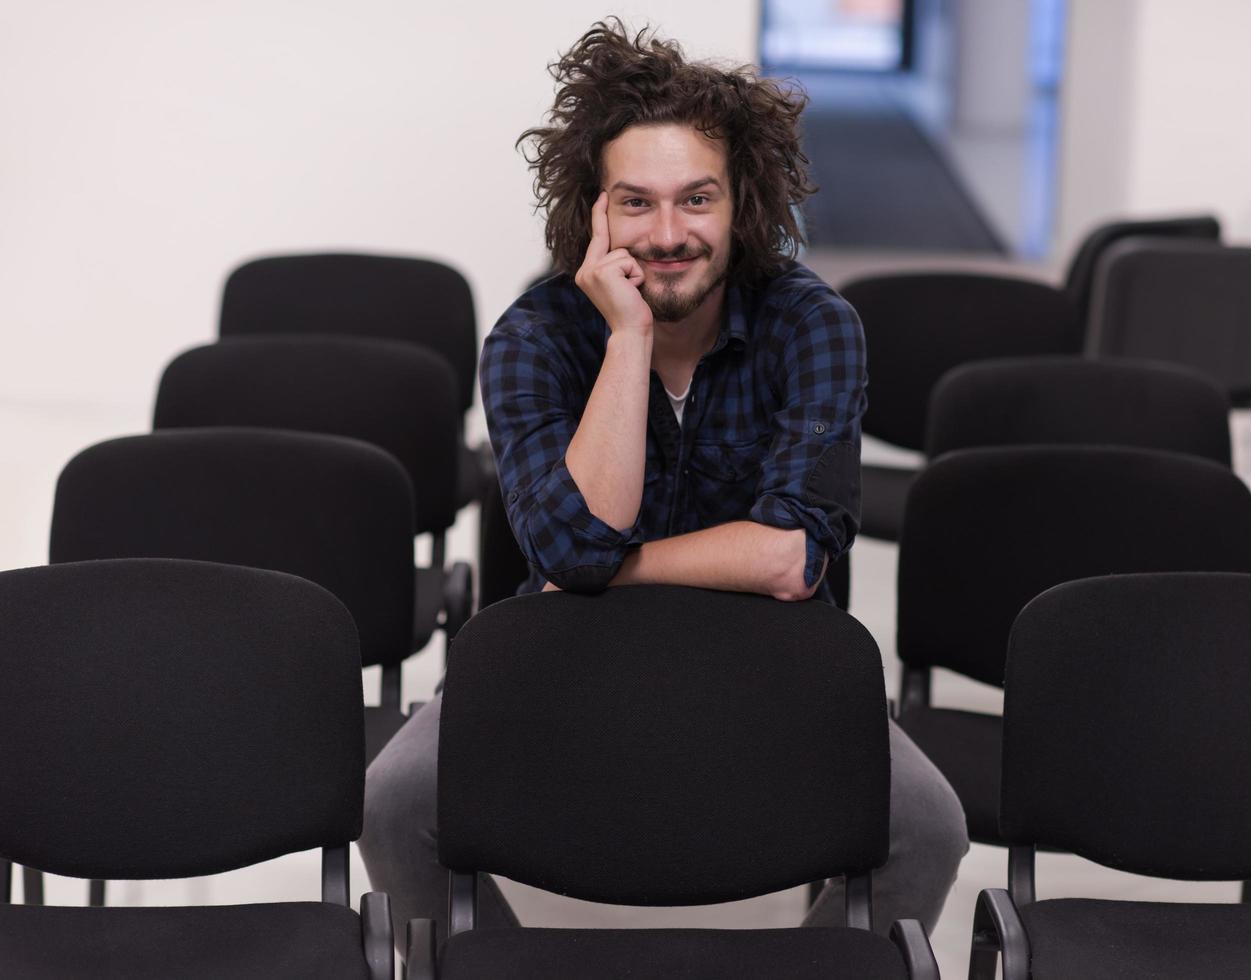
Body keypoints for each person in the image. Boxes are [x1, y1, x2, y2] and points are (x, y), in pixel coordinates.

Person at [361, 18, 966, 941]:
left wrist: (606, 565)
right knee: (393, 798)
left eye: (698, 199)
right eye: (635, 203)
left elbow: (791, 560)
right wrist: (629, 337)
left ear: (742, 203)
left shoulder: (813, 324)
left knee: (929, 824)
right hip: (564, 649)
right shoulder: (535, 337)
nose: (669, 233)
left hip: (767, 658)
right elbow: (570, 546)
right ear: (591, 212)